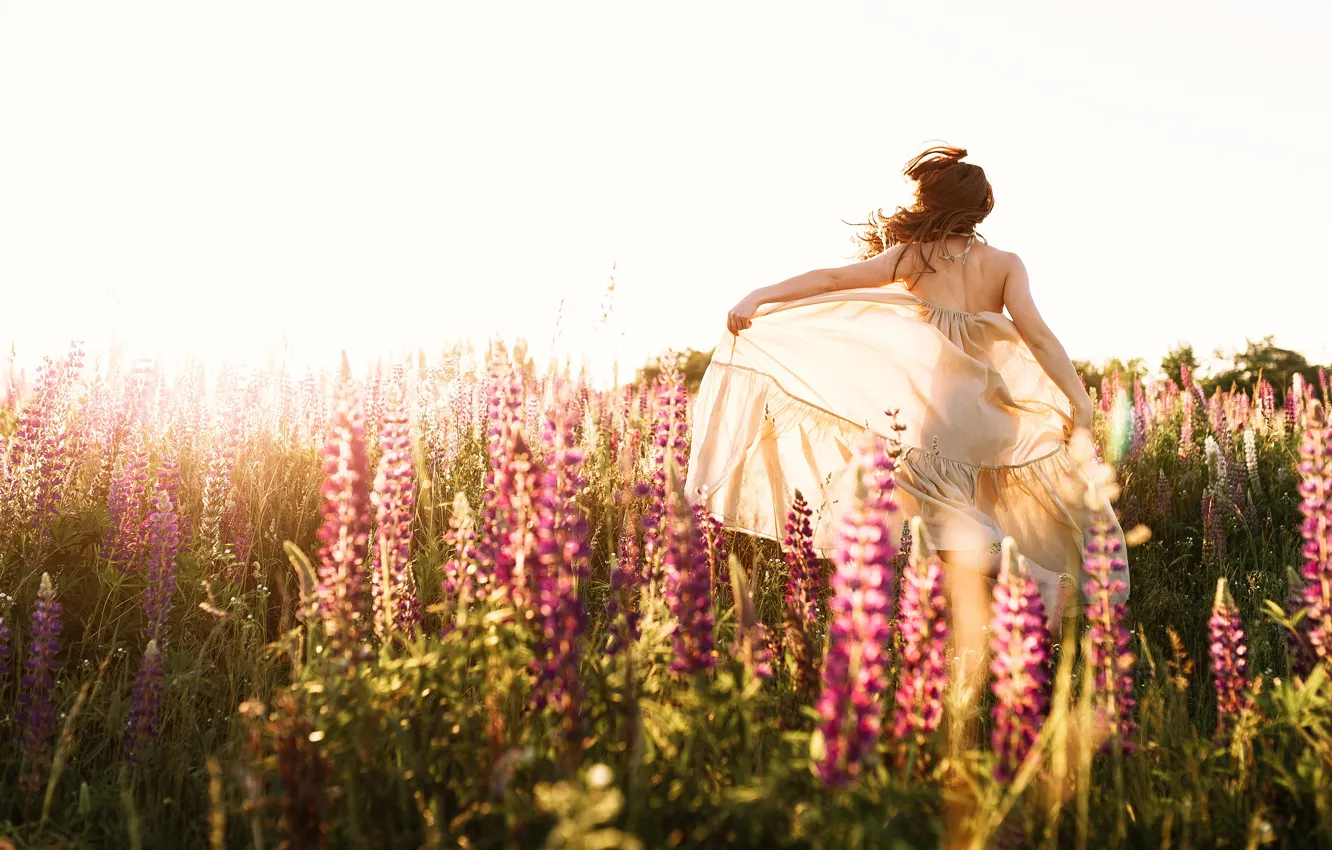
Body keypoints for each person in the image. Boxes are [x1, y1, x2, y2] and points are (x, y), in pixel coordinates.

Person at [684, 145, 1127, 648]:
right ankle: (1015, 607)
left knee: (935, 521)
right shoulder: (1005, 264)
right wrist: (1079, 402)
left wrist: (758, 295)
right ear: (982, 207)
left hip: (939, 412)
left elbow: (832, 280)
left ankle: (1035, 586)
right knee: (950, 517)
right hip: (990, 409)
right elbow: (1039, 336)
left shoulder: (915, 258)